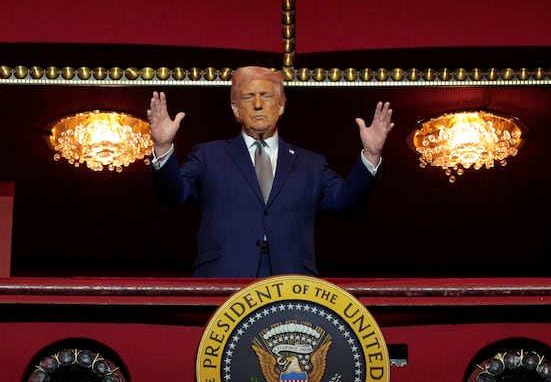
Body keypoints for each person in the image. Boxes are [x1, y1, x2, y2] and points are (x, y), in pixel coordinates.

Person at [148, 66, 394, 278]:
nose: (257, 104)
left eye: (265, 96)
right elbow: (175, 195)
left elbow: (345, 203)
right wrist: (162, 147)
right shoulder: (208, 155)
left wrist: (371, 156)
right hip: (225, 278)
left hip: (291, 282)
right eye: (248, 97)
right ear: (236, 109)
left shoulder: (311, 164)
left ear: (281, 106)